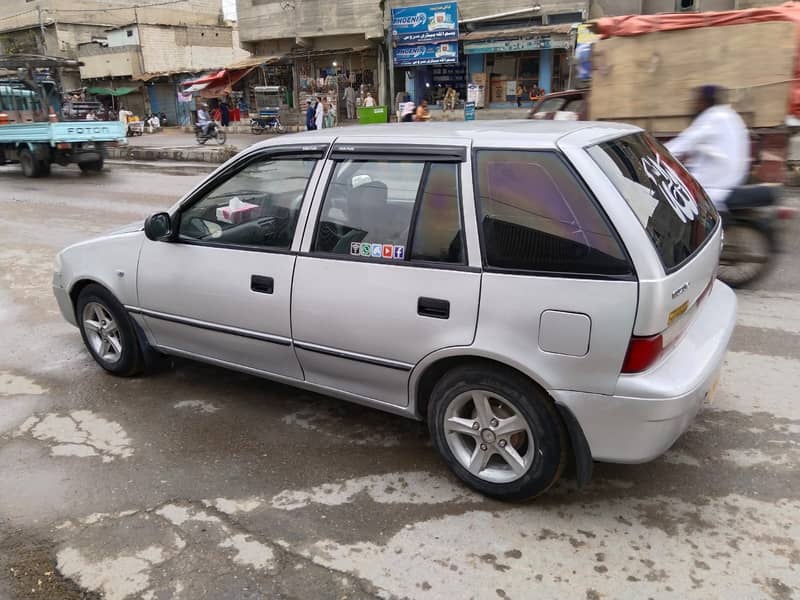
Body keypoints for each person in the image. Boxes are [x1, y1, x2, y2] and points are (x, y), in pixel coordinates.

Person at [665, 85, 749, 212]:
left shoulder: (711, 118)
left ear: (704, 102)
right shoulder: (729, 114)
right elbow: (700, 145)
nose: (695, 105)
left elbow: (685, 141)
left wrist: (655, 152)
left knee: (673, 201)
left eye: (697, 101)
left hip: (716, 187)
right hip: (733, 179)